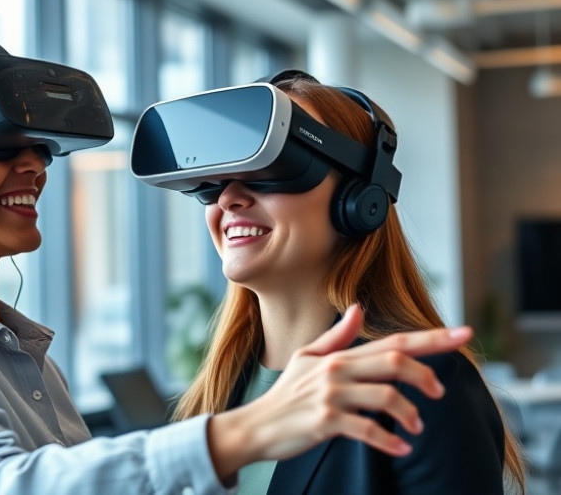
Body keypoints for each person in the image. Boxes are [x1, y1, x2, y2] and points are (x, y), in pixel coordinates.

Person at [0, 14, 476, 495]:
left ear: (358, 201)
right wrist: (249, 430)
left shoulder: (27, 362)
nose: (36, 166)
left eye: (41, 147)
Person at [131, 70, 525, 494]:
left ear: (360, 200)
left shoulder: (421, 383)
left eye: (272, 166)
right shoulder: (210, 397)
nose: (228, 198)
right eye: (215, 181)